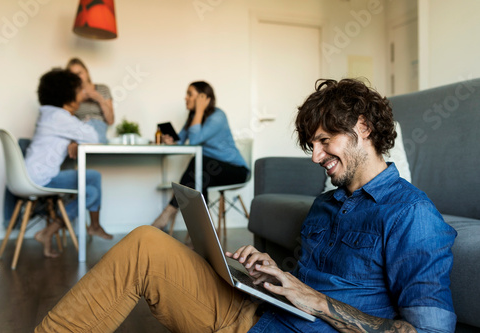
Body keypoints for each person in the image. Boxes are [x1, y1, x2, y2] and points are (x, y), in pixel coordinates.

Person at [34, 78, 456, 332]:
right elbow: (303, 277)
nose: (314, 156)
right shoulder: (326, 205)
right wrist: (272, 272)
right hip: (250, 314)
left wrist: (315, 300)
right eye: (311, 145)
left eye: (325, 141)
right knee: (146, 242)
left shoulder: (411, 214)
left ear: (362, 128)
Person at [25, 68, 113, 258]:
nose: (82, 96)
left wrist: (74, 139)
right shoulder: (59, 117)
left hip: (33, 175)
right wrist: (79, 134)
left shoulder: (50, 114)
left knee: (91, 192)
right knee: (95, 177)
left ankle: (49, 231)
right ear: (67, 94)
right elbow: (94, 137)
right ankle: (94, 226)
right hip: (41, 178)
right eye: (79, 91)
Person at [151, 81, 249, 230]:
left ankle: (168, 213)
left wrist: (199, 111)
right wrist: (171, 141)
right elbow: (182, 141)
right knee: (199, 176)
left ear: (203, 97)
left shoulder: (218, 116)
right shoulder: (193, 118)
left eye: (190, 94)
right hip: (209, 169)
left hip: (236, 170)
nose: (185, 98)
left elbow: (195, 140)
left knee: (199, 164)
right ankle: (201, 235)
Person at [66, 58, 114, 144]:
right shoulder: (71, 95)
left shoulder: (102, 89)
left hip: (98, 127)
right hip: (79, 128)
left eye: (80, 73)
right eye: (73, 75)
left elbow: (110, 121)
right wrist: (79, 99)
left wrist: (100, 99)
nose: (77, 77)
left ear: (86, 72)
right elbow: (65, 118)